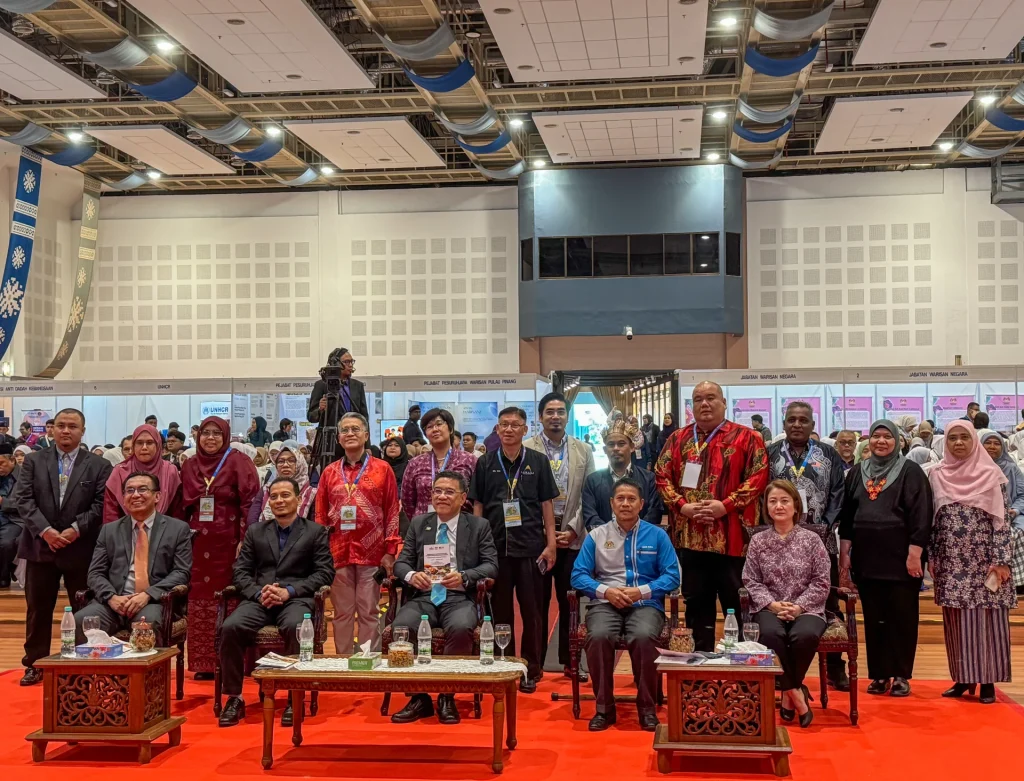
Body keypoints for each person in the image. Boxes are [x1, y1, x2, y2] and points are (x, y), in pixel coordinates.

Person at [655, 383, 769, 651]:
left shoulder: (747, 438)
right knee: (696, 603)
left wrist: (726, 505)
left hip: (733, 540)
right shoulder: (678, 438)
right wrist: (682, 506)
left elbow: (758, 477)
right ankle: (700, 660)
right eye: (698, 399)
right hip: (690, 538)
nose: (704, 404)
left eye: (710, 398)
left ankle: (740, 659)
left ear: (724, 403)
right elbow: (661, 475)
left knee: (736, 601)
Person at [218, 477, 335, 727]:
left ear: (298, 499)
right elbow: (240, 571)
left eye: (285, 495)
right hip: (260, 598)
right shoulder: (256, 531)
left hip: (295, 599)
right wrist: (258, 593)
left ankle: (294, 697)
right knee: (230, 627)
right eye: (274, 496)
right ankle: (235, 698)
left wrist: (289, 591)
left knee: (295, 627)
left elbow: (324, 574)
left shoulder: (315, 532)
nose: (279, 500)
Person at [571, 477, 680, 732]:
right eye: (620, 498)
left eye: (632, 499)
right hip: (605, 603)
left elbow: (673, 576)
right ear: (611, 503)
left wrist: (641, 592)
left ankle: (647, 708)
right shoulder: (596, 536)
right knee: (599, 636)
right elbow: (578, 575)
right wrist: (606, 591)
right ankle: (604, 709)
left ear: (641, 504)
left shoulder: (658, 536)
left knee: (643, 636)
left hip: (645, 603)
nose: (626, 504)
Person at [390, 471, 499, 724]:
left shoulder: (478, 526)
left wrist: (464, 576)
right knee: (402, 627)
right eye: (437, 491)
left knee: (461, 627)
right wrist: (412, 576)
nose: (441, 496)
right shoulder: (419, 523)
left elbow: (491, 566)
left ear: (463, 498)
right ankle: (419, 697)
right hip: (424, 596)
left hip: (459, 597)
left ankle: (447, 695)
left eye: (449, 492)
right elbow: (401, 563)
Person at [15, 409, 112, 686]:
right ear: (52, 429)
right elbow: (24, 500)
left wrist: (75, 529)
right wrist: (46, 531)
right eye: (60, 425)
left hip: (79, 547)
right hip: (40, 546)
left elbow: (100, 504)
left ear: (83, 431)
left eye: (72, 426)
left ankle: (84, 664)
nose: (66, 431)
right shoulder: (33, 461)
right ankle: (35, 663)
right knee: (38, 610)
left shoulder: (99, 465)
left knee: (85, 610)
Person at [839, 419, 932, 697]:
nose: (881, 441)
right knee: (874, 618)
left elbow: (922, 514)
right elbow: (848, 516)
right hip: (867, 558)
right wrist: (845, 553)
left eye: (887, 436)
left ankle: (901, 674)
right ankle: (879, 674)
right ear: (868, 440)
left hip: (902, 559)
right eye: (876, 436)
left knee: (902, 617)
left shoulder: (911, 471)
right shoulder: (858, 472)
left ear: (898, 441)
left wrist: (915, 554)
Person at [469, 406, 558, 692]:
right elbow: (478, 505)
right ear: (497, 429)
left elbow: (547, 504)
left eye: (515, 425)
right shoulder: (485, 462)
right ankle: (504, 665)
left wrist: (551, 544)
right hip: (495, 550)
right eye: (504, 425)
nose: (509, 429)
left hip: (531, 548)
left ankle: (532, 668)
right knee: (499, 613)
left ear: (525, 429)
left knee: (533, 612)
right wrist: (478, 546)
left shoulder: (538, 461)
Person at [928, 423, 1015, 703]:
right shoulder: (937, 475)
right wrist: (933, 555)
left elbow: (1002, 522)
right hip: (951, 562)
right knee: (957, 624)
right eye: (952, 438)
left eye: (965, 437)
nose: (958, 443)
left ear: (974, 441)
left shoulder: (991, 475)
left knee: (988, 622)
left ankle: (988, 681)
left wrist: (1001, 560)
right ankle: (963, 678)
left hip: (985, 563)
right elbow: (932, 520)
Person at [767, 401, 849, 690]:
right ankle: (779, 668)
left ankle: (836, 668)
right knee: (779, 603)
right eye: (792, 420)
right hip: (779, 543)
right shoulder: (770, 454)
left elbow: (838, 493)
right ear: (784, 424)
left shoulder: (828, 454)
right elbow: (763, 495)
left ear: (813, 425)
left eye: (803, 420)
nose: (797, 425)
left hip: (821, 542)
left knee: (829, 603)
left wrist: (823, 525)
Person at [742, 481, 830, 728]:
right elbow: (750, 579)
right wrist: (772, 604)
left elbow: (822, 581)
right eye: (773, 501)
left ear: (795, 506)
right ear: (766, 508)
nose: (779, 506)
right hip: (769, 607)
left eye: (784, 501)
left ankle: (788, 694)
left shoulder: (812, 540)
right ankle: (797, 694)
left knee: (804, 636)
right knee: (771, 634)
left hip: (807, 607)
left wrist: (799, 606)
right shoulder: (759, 541)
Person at [180, 416, 261, 679]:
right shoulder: (190, 465)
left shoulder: (239, 461)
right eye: (206, 433)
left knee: (230, 597)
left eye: (217, 433)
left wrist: (247, 540)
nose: (211, 438)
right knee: (200, 598)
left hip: (231, 544)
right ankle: (205, 664)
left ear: (225, 436)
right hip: (198, 545)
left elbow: (251, 503)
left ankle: (232, 663)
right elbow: (182, 508)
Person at [315, 412, 400, 653]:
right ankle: (342, 662)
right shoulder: (329, 472)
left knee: (369, 611)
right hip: (337, 552)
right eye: (345, 430)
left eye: (355, 429)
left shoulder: (383, 469)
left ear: (366, 435)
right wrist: (321, 552)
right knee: (341, 612)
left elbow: (392, 511)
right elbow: (320, 515)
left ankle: (367, 662)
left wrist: (390, 550)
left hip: (372, 552)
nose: (350, 433)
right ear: (338, 438)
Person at [524, 392, 596, 679]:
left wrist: (573, 529)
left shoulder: (583, 449)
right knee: (536, 605)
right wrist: (546, 532)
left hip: (572, 538)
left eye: (560, 411)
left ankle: (571, 662)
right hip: (538, 541)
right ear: (541, 416)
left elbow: (589, 493)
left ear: (567, 416)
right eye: (550, 412)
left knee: (571, 603)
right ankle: (534, 665)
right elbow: (523, 496)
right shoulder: (526, 448)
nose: (555, 416)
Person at [75, 472, 193, 645]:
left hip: (153, 602)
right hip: (113, 603)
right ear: (123, 498)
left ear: (157, 496)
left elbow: (181, 572)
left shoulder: (177, 529)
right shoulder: (109, 530)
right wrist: (111, 597)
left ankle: (148, 665)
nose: (135, 495)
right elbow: (95, 573)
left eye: (142, 489)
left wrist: (147, 594)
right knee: (80, 621)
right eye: (130, 491)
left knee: (148, 624)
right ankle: (93, 665)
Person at [583, 418, 663, 532]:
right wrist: (611, 535)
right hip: (604, 541)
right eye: (611, 444)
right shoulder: (592, 481)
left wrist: (634, 534)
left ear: (632, 447)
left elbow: (654, 513)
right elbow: (590, 515)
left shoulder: (648, 478)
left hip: (641, 539)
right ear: (605, 450)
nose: (616, 448)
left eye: (621, 444)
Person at [401, 408, 477, 518]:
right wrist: (419, 521)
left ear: (451, 429)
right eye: (429, 427)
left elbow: (477, 499)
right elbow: (407, 501)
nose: (435, 429)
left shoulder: (469, 460)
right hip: (424, 524)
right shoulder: (415, 463)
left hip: (461, 523)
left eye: (439, 424)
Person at [103, 424, 183, 525]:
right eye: (139, 443)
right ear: (133, 445)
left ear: (158, 445)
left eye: (149, 442)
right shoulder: (119, 472)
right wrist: (118, 534)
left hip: (165, 531)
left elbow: (177, 511)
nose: (144, 447)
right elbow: (110, 513)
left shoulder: (170, 471)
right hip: (124, 531)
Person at [249, 443, 316, 525]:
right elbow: (253, 518)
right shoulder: (266, 489)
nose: (285, 465)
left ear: (300, 463)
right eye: (280, 461)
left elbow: (314, 524)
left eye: (291, 461)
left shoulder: (311, 493)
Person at [306, 347, 369, 426]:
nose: (350, 365)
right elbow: (311, 416)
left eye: (351, 361)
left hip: (352, 432)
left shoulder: (358, 386)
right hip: (329, 432)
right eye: (346, 362)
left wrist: (366, 434)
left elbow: (364, 417)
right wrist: (320, 410)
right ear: (335, 363)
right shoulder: (321, 385)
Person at [979, 430, 1024, 518]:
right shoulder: (972, 468)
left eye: (997, 444)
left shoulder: (1012, 468)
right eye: (988, 443)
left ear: (1003, 448)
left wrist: (1015, 510)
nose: (992, 447)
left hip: (1009, 514)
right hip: (979, 517)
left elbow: (1022, 494)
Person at [0, 445, 20, 587]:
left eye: (1, 463)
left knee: (6, 543)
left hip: (15, 519)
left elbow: (27, 503)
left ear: (12, 460)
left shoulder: (25, 476)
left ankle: (3, 575)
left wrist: (3, 502)